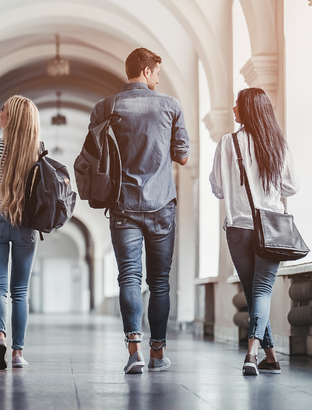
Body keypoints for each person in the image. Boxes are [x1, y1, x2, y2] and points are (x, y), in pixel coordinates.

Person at [88, 48, 190, 374]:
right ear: (146, 71)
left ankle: (135, 352)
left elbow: (94, 155)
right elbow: (183, 155)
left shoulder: (105, 107)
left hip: (122, 205)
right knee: (159, 282)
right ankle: (158, 353)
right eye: (157, 73)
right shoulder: (170, 105)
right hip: (162, 206)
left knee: (128, 277)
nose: (159, 79)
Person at [210, 87, 298, 375]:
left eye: (237, 104)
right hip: (271, 228)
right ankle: (264, 355)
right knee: (259, 292)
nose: (233, 109)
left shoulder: (227, 143)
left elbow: (218, 189)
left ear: (247, 109)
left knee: (253, 293)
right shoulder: (277, 144)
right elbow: (291, 187)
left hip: (238, 228)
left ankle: (256, 353)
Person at [0, 95, 40, 369]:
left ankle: (0, 338)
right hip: (25, 224)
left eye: (2, 109)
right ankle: (17, 354)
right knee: (20, 292)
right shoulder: (37, 149)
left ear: (10, 117)